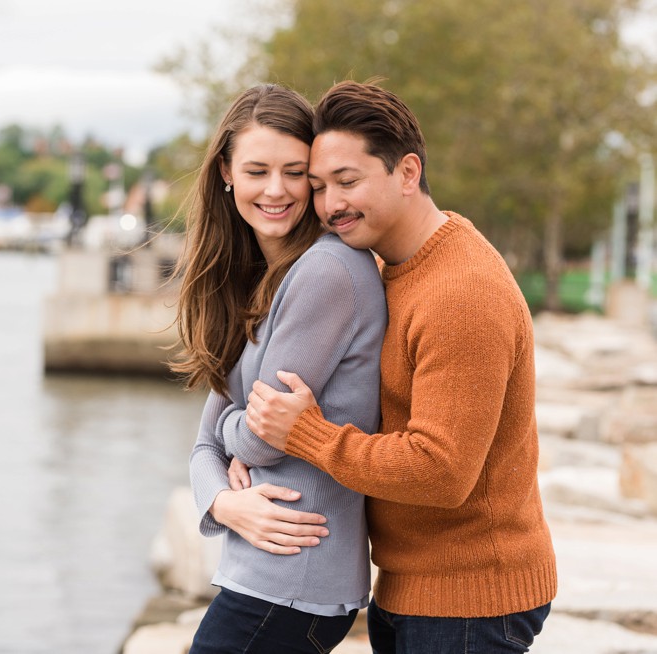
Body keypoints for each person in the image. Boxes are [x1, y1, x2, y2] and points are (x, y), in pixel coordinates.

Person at [236, 80, 557, 653]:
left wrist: (309, 435)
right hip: (414, 587)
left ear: (408, 173)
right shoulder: (397, 266)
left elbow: (442, 471)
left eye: (348, 181)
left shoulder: (460, 293)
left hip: (470, 599)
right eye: (318, 186)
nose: (330, 204)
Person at [173, 83, 387, 653]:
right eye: (257, 169)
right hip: (262, 576)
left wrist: (231, 431)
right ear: (226, 171)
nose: (276, 190)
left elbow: (262, 437)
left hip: (294, 579)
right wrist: (223, 501)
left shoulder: (326, 272)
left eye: (296, 172)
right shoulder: (259, 278)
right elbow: (203, 448)